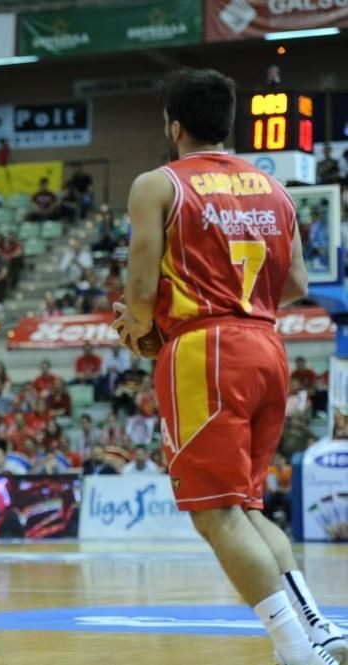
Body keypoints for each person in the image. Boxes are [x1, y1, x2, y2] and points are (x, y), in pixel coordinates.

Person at [111, 69, 344, 665]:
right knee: (243, 508)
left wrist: (139, 324)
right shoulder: (275, 186)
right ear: (229, 122)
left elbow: (139, 289)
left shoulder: (156, 184)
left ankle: (295, 650)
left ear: (174, 126)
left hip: (206, 349)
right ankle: (317, 627)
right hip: (268, 343)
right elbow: (296, 284)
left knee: (216, 516)